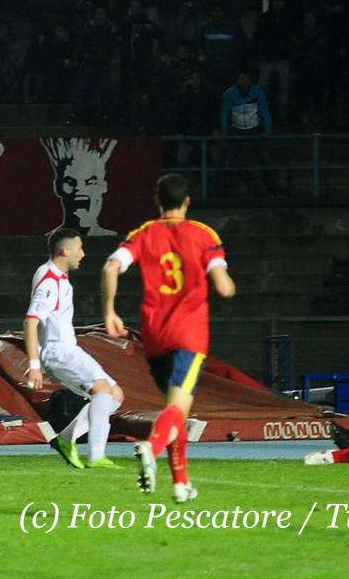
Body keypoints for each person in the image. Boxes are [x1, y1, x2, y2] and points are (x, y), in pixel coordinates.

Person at [102, 173, 235, 503]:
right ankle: (151, 446)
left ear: (157, 201)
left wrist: (109, 312)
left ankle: (180, 483)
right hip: (188, 335)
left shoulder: (143, 234)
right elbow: (222, 287)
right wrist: (228, 286)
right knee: (177, 408)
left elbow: (109, 268)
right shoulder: (204, 235)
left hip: (154, 336)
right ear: (188, 201)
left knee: (176, 410)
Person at [25, 228, 125, 470]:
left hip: (68, 349)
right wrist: (34, 365)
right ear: (65, 250)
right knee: (102, 390)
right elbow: (30, 321)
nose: (83, 254)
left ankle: (66, 440)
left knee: (115, 395)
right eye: (79, 248)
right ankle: (95, 455)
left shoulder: (54, 275)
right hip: (59, 352)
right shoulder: (50, 281)